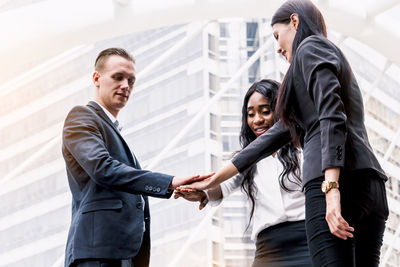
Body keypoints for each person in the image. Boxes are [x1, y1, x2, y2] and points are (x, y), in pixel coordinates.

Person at [180, 1, 389, 266]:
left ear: (295, 21)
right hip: (371, 186)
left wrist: (332, 189)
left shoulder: (310, 48)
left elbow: (332, 115)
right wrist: (210, 182)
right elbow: (263, 144)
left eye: (278, 36)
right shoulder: (326, 62)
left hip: (338, 183)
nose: (278, 47)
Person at [62, 47, 211, 267]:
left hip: (123, 255)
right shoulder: (81, 117)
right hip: (97, 254)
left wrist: (182, 188)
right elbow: (103, 169)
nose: (125, 86)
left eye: (131, 81)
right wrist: (169, 182)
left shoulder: (113, 132)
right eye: (118, 77)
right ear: (96, 78)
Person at [176, 79, 312, 267]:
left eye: (265, 111)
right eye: (251, 114)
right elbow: (220, 187)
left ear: (280, 111)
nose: (257, 120)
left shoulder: (304, 148)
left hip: (309, 242)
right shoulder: (245, 160)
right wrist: (199, 193)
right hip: (269, 251)